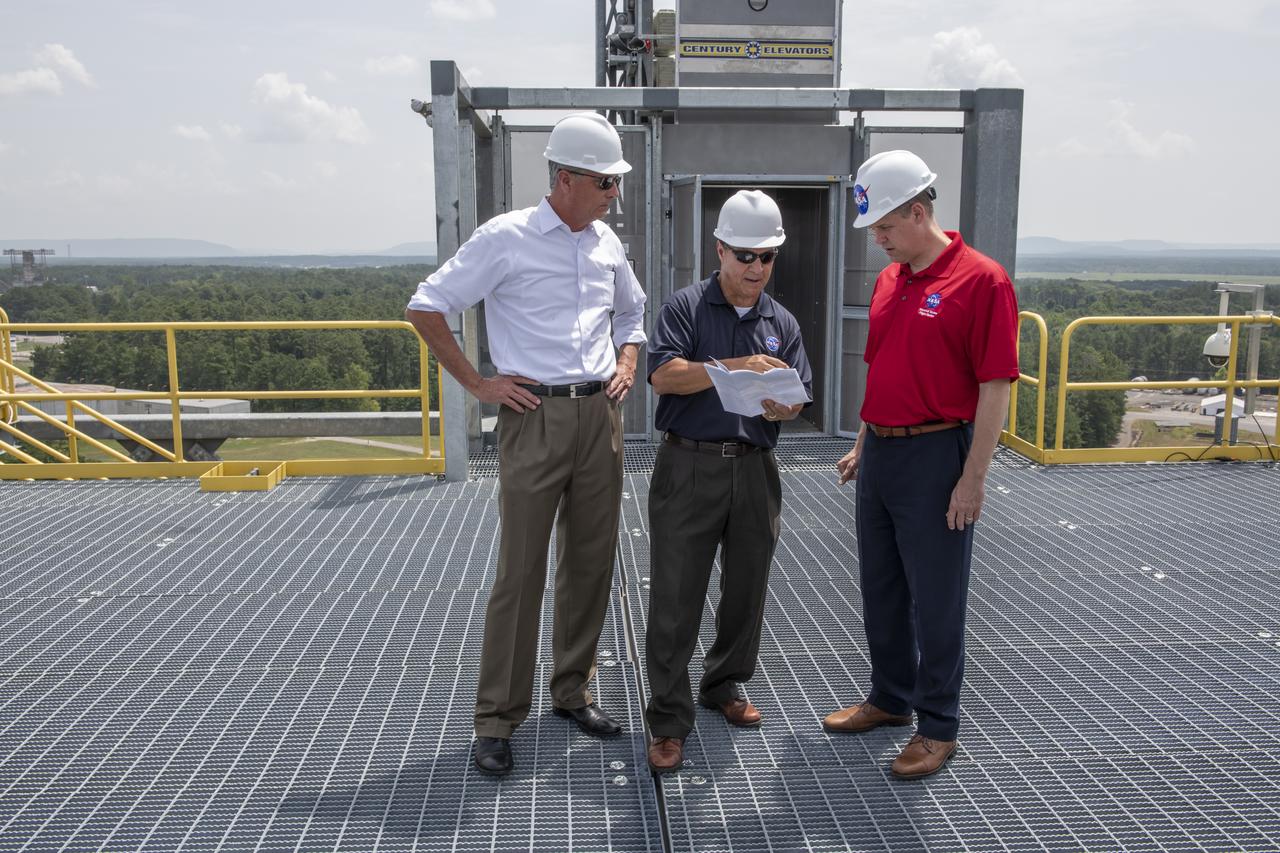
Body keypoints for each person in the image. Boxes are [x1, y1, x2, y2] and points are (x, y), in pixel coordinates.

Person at [405, 112, 647, 778]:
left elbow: (632, 312)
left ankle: (572, 691)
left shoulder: (605, 244)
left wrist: (627, 362)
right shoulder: (505, 238)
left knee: (591, 562)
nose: (613, 194)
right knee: (521, 572)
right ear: (564, 178)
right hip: (533, 414)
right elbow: (426, 306)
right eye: (604, 181)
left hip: (599, 414)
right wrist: (478, 383)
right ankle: (496, 717)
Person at [821, 150, 1019, 779]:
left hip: (939, 454)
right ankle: (889, 698)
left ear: (919, 210)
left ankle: (938, 726)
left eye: (884, 227)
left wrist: (973, 478)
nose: (876, 240)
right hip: (881, 451)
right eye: (873, 229)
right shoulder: (890, 279)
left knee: (936, 598)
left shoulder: (982, 281)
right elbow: (881, 367)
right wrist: (861, 440)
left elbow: (995, 386)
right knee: (882, 586)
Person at [644, 190, 812, 775]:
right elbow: (664, 376)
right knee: (676, 595)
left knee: (747, 589)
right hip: (688, 465)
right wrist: (739, 367)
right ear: (719, 250)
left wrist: (783, 409)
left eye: (766, 257)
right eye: (744, 255)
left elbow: (797, 393)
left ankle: (724, 683)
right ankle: (667, 719)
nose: (755, 269)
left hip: (755, 468)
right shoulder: (686, 307)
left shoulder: (781, 322)